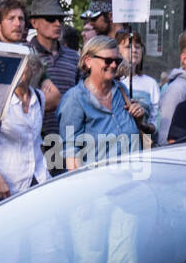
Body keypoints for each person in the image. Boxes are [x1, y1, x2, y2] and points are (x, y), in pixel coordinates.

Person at [55, 35, 147, 171]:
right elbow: (71, 154)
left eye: (117, 60)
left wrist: (138, 118)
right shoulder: (75, 99)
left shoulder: (121, 91)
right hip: (98, 184)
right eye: (108, 61)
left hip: (132, 179)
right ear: (88, 61)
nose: (114, 65)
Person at [0, 49, 49, 199]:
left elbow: (36, 139)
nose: (16, 69)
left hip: (38, 178)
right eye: (12, 65)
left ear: (33, 68)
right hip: (6, 185)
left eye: (22, 64)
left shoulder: (39, 98)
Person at [27, 0, 78, 152]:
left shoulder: (74, 57)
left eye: (60, 19)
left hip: (68, 140)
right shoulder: (24, 54)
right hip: (33, 141)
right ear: (34, 22)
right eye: (50, 19)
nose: (57, 24)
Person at [116, 29, 160, 129]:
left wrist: (143, 125)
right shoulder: (112, 81)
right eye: (128, 47)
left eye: (137, 47)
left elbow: (156, 120)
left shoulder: (150, 83)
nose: (134, 50)